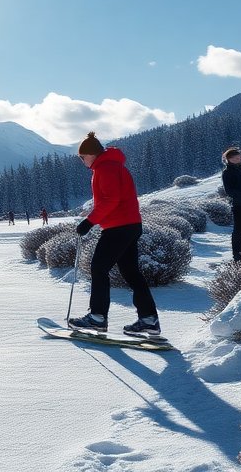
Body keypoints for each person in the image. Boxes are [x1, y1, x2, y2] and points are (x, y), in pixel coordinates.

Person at [66, 133, 160, 336]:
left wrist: (89, 222)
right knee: (131, 272)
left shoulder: (105, 168)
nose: (82, 161)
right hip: (130, 225)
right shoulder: (112, 166)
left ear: (92, 154)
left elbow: (111, 199)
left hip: (119, 227)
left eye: (82, 157)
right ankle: (148, 319)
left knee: (99, 268)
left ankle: (97, 317)